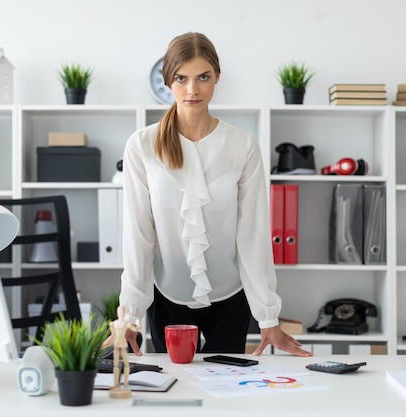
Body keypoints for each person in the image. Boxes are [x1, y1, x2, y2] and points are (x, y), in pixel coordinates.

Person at [117, 32, 311, 357]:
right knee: (176, 396)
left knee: (228, 394)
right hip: (167, 296)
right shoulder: (142, 146)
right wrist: (130, 315)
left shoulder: (242, 145)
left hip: (230, 298)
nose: (192, 90)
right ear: (168, 80)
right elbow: (138, 236)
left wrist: (268, 316)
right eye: (181, 78)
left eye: (203, 77)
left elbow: (253, 236)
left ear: (216, 78)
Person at [108, 305, 140, 398]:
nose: (121, 313)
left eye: (122, 311)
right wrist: (106, 345)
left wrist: (138, 325)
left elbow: (135, 329)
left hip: (123, 344)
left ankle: (125, 383)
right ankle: (116, 384)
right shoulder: (114, 323)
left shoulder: (126, 323)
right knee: (116, 365)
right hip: (117, 344)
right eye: (120, 311)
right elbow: (113, 335)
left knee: (126, 364)